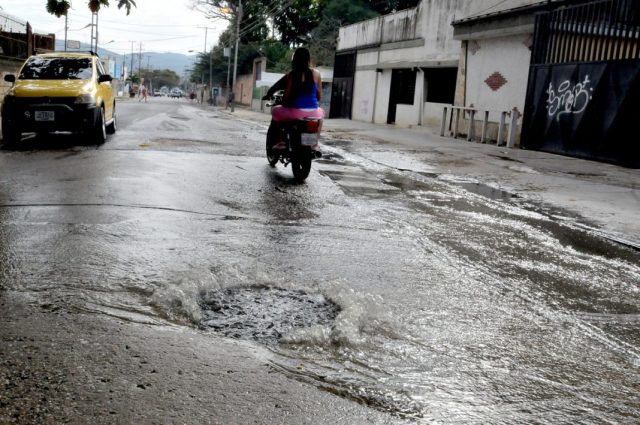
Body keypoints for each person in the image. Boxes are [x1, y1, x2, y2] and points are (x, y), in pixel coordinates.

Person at [263, 47, 324, 151]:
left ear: (294, 59)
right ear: (308, 59)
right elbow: (319, 96)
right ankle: (314, 144)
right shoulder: (317, 74)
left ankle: (281, 142)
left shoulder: (292, 74)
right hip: (314, 112)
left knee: (275, 112)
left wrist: (270, 95)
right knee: (321, 115)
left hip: (296, 113)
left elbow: (285, 95)